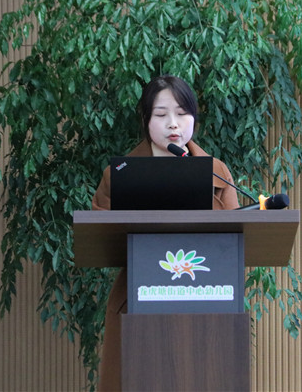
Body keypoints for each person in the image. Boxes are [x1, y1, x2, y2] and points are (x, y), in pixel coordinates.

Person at [91, 75, 239, 391]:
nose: (173, 123)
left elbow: (234, 238)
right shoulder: (118, 175)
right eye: (161, 114)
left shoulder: (218, 172)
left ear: (194, 118)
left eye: (182, 113)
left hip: (206, 298)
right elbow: (99, 234)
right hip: (140, 300)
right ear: (146, 121)